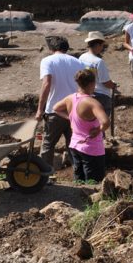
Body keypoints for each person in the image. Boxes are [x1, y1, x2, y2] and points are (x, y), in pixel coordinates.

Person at [34, 38, 87, 170]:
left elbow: (46, 84)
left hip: (55, 111)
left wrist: (40, 110)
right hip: (74, 110)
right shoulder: (78, 62)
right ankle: (79, 176)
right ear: (66, 48)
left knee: (48, 145)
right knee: (74, 144)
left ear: (51, 49)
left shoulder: (47, 61)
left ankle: (46, 176)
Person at [52, 68, 110, 183]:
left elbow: (55, 108)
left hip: (75, 145)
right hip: (91, 148)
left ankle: (78, 199)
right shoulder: (92, 103)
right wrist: (98, 130)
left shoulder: (71, 98)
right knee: (94, 183)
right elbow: (105, 122)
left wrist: (71, 118)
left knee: (79, 180)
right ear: (92, 83)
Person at [78, 31, 117, 114]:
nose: (102, 48)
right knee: (102, 121)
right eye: (102, 45)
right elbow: (105, 82)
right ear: (97, 45)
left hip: (86, 92)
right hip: (100, 95)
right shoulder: (98, 62)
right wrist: (113, 85)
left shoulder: (82, 57)